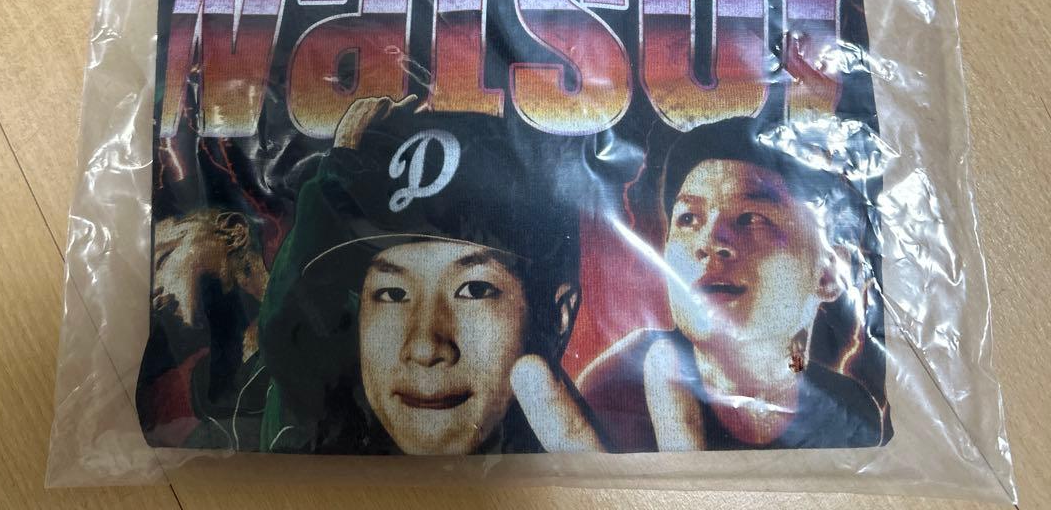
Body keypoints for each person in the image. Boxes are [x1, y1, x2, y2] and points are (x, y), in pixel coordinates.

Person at [258, 96, 587, 454]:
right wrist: (337, 175)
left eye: (475, 289)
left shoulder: (597, 451)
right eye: (393, 293)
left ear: (558, 316)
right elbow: (291, 332)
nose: (426, 348)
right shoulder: (324, 434)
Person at [573, 117, 885, 451]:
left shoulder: (849, 413)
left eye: (751, 218)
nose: (709, 241)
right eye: (688, 219)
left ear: (828, 273)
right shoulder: (613, 398)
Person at [140, 206, 270, 450]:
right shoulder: (207, 388)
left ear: (233, 232)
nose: (154, 292)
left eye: (164, 259)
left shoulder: (311, 290)